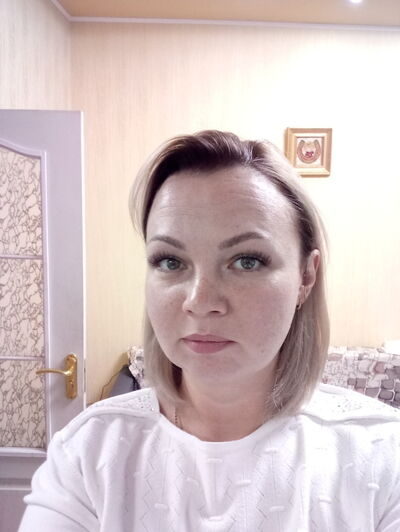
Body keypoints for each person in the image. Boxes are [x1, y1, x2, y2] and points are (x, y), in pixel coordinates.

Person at [19, 130, 400, 531]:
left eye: (247, 261)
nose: (200, 301)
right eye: (170, 261)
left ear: (306, 276)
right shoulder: (89, 452)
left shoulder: (381, 455)